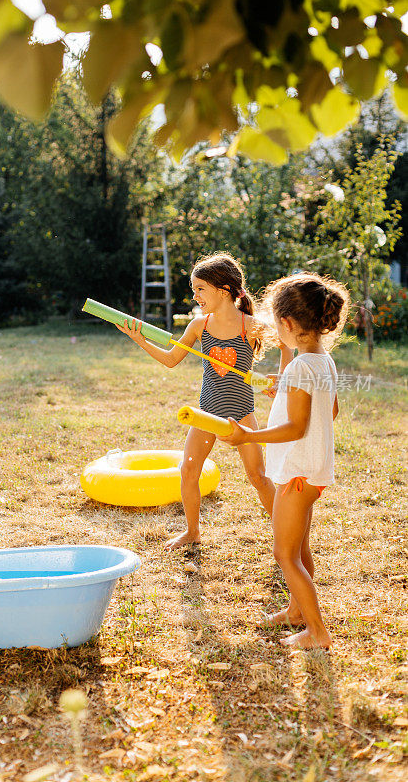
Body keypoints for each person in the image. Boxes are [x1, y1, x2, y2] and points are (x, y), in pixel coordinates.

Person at [117, 253, 293, 550]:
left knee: (258, 477)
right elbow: (172, 359)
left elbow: (288, 343)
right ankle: (192, 532)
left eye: (201, 289)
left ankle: (287, 533)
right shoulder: (199, 325)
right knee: (188, 471)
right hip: (206, 413)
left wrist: (282, 377)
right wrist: (141, 340)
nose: (195, 295)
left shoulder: (249, 325)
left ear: (223, 290)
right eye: (194, 288)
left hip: (242, 414)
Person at [221, 273, 350, 648]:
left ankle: (317, 631)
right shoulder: (321, 361)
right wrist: (287, 393)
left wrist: (248, 436)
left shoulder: (300, 368)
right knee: (299, 547)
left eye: (276, 323)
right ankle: (297, 612)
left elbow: (296, 427)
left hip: (298, 473)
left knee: (285, 554)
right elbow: (331, 411)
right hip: (312, 471)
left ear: (289, 324)